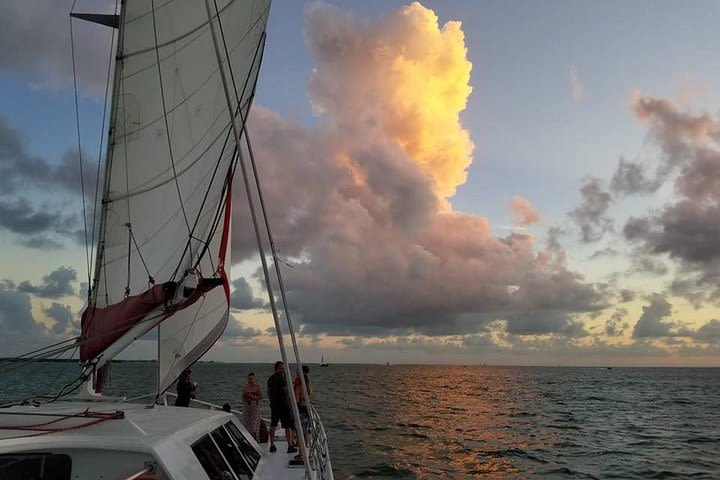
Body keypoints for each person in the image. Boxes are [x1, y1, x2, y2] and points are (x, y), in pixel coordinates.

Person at [267, 361, 296, 453]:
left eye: (283, 368)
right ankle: (290, 446)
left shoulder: (270, 379)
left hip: (274, 405)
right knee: (288, 426)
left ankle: (272, 445)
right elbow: (286, 391)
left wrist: (272, 400)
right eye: (281, 368)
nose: (283, 370)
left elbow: (268, 392)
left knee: (273, 424)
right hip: (283, 404)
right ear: (276, 368)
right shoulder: (282, 378)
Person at [241, 372, 262, 441]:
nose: (250, 380)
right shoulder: (245, 387)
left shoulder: (257, 387)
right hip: (247, 406)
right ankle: (247, 437)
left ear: (254, 379)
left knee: (254, 422)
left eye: (252, 379)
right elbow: (242, 397)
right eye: (249, 379)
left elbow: (261, 397)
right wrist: (245, 398)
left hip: (255, 406)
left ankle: (255, 437)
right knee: (246, 421)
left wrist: (252, 396)